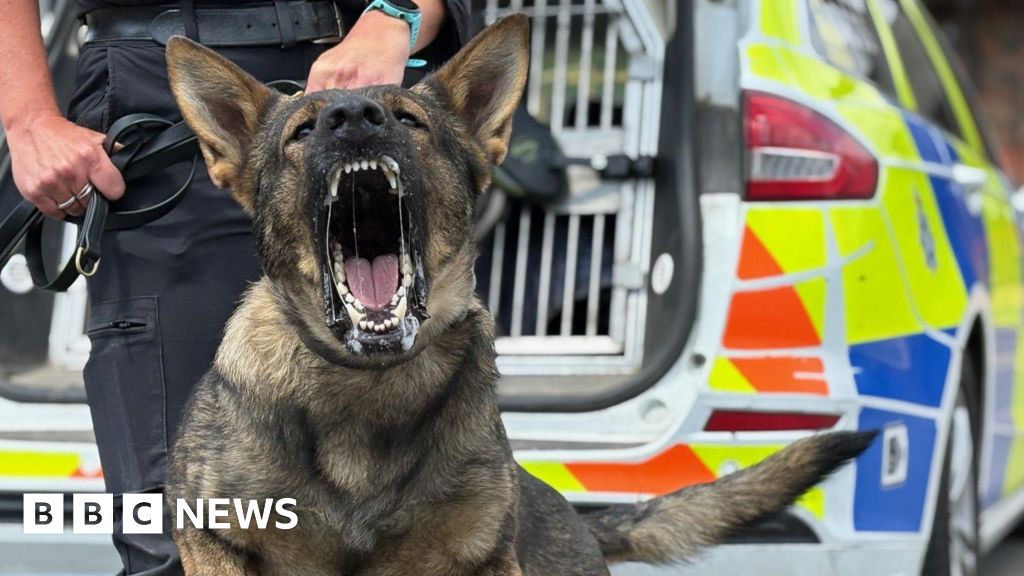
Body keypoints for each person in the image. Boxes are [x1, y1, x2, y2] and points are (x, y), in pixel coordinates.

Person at [0, 0, 470, 573]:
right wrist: (27, 117)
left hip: (372, 75)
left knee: (415, 549)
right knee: (188, 543)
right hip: (170, 94)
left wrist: (397, 17)